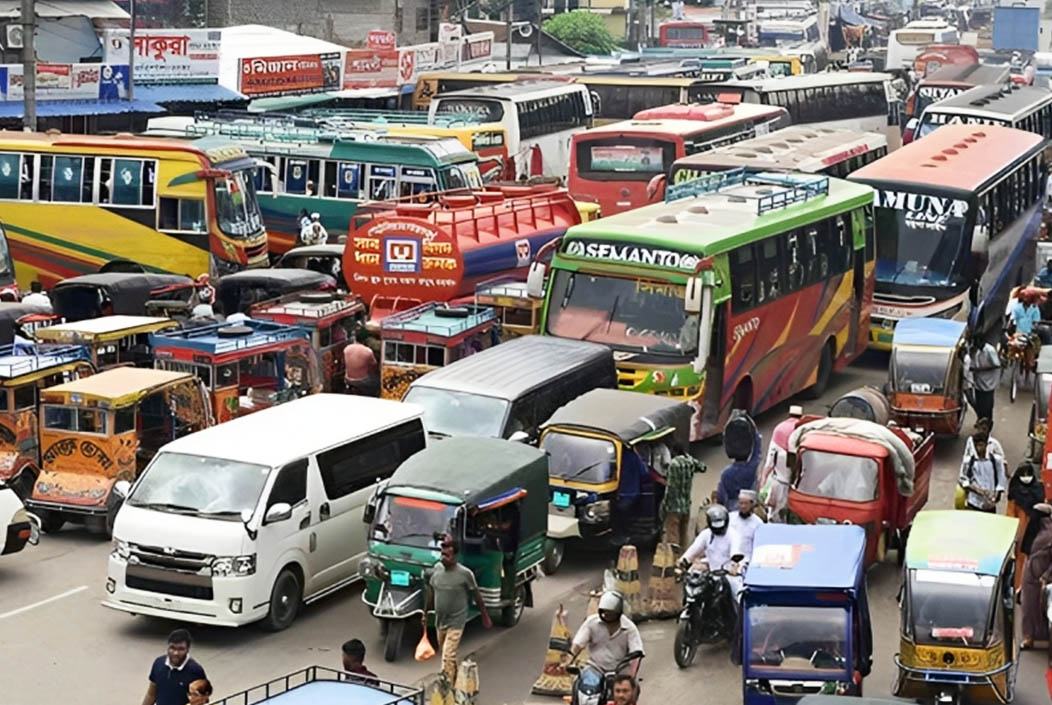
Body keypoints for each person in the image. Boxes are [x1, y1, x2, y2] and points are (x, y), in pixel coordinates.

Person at [427, 535, 491, 684]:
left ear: (455, 556)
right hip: (440, 620)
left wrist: (485, 616)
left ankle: (447, 686)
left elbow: (476, 594)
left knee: (447, 655)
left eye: (447, 555)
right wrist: (425, 614)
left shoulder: (465, 574)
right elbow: (431, 591)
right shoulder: (436, 569)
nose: (444, 558)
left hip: (457, 620)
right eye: (442, 554)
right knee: (447, 653)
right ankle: (454, 679)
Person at [565, 591, 644, 676]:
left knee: (623, 688)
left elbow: (636, 654)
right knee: (588, 685)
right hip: (595, 668)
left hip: (620, 670)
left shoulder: (629, 628)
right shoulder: (591, 623)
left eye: (610, 613)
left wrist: (631, 676)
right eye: (604, 612)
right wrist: (569, 659)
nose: (607, 615)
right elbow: (578, 644)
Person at [1007, 461, 1046, 593]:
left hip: (1037, 530)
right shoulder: (1015, 493)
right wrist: (1014, 534)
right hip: (1022, 533)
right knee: (1021, 561)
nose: (1026, 477)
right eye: (1023, 474)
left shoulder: (1039, 489)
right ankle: (1019, 587)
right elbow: (1010, 514)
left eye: (1028, 474)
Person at [759, 405, 802, 523]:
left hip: (778, 483)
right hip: (795, 488)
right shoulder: (801, 430)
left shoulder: (780, 429)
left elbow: (769, 462)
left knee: (774, 514)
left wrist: (763, 479)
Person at [141, 629, 207, 705]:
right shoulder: (158, 663)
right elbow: (151, 695)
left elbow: (202, 700)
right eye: (172, 648)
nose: (176, 653)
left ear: (188, 649)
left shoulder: (196, 671)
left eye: (181, 649)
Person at [659, 448, 705, 549]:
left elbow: (670, 487)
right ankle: (683, 557)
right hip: (686, 506)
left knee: (673, 537)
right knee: (683, 535)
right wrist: (689, 457)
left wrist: (664, 505)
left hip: (673, 507)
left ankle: (673, 559)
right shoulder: (690, 462)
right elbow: (703, 467)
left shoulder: (673, 464)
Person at [715, 416, 763, 512]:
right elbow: (757, 452)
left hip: (730, 510)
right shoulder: (751, 470)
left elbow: (721, 497)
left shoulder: (726, 473)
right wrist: (754, 428)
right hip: (748, 509)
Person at [1022, 503, 1052, 649]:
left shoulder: (1049, 534)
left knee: (1044, 608)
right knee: (1028, 607)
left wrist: (1046, 576)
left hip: (1045, 578)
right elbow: (1027, 551)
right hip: (1029, 576)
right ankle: (1028, 637)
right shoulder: (1033, 532)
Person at [958, 434, 1006, 512]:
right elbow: (963, 480)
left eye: (981, 445)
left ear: (986, 444)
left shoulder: (995, 460)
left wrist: (996, 495)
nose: (978, 448)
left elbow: (1001, 478)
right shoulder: (969, 461)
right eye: (976, 445)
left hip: (990, 503)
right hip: (974, 503)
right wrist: (977, 490)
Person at [964, 336, 1000, 429]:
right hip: (978, 382)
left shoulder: (989, 350)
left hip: (989, 383)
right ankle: (980, 420)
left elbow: (996, 365)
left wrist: (979, 370)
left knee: (987, 406)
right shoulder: (976, 351)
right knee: (980, 405)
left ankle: (988, 424)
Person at [728, 489, 764, 563]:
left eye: (746, 504)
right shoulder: (730, 517)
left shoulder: (758, 523)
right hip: (729, 560)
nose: (743, 506)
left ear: (752, 504)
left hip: (747, 561)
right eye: (741, 503)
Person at [344, 329, 379, 396]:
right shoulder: (368, 351)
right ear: (366, 340)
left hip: (348, 379)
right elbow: (374, 367)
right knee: (377, 381)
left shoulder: (347, 349)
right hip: (362, 381)